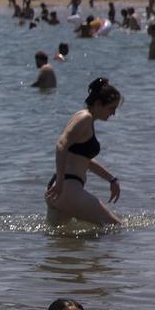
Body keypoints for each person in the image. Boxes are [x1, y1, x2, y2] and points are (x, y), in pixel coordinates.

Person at [45, 77, 122, 226]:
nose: (113, 113)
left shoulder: (84, 119)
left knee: (62, 244)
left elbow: (83, 159)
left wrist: (111, 179)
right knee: (116, 228)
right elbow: (61, 145)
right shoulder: (85, 118)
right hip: (66, 188)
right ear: (98, 104)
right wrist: (60, 181)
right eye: (112, 108)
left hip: (59, 190)